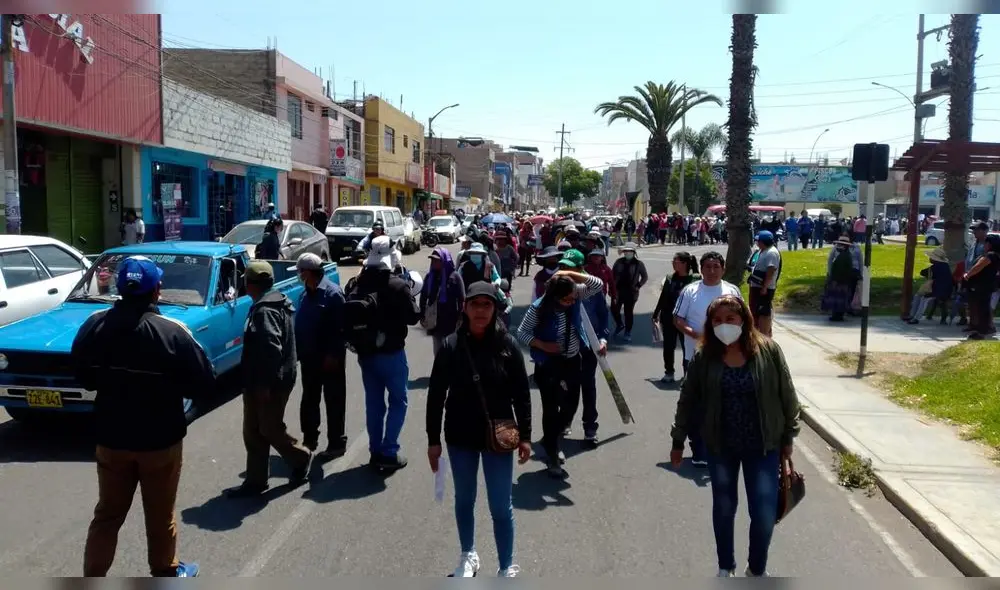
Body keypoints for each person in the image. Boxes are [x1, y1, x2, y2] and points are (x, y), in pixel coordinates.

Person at [72, 256, 214, 577]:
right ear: (156, 291)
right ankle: (165, 573)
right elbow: (205, 381)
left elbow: (81, 373)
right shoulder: (172, 332)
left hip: (111, 440)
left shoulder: (95, 325)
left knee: (107, 515)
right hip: (160, 443)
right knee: (161, 514)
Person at [670, 295, 800, 578]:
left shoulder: (768, 351)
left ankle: (756, 569)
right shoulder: (705, 356)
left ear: (744, 319)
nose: (723, 325)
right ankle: (725, 566)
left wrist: (789, 436)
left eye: (730, 319)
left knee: (765, 513)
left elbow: (787, 394)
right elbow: (688, 399)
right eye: (717, 321)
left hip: (763, 445)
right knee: (724, 508)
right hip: (721, 445)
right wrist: (678, 440)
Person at [427, 282, 532, 578]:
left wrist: (525, 436)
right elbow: (435, 396)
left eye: (487, 305)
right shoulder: (450, 346)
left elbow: (522, 394)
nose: (481, 311)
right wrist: (433, 441)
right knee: (465, 498)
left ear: (495, 309)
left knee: (500, 505)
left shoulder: (508, 345)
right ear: (466, 308)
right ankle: (468, 554)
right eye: (476, 305)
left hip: (499, 438)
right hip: (460, 437)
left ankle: (505, 566)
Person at [227, 261, 313, 497]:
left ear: (250, 284)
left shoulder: (265, 310)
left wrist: (265, 384)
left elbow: (271, 349)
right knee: (253, 431)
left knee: (269, 428)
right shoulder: (272, 301)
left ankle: (300, 457)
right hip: (262, 380)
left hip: (270, 382)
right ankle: (255, 481)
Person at [517, 270, 604, 478]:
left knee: (571, 403)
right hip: (548, 363)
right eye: (566, 299)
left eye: (573, 298)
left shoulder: (574, 295)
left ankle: (553, 437)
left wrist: (567, 273)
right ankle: (553, 453)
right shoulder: (538, 309)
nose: (570, 301)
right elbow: (521, 332)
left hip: (572, 359)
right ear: (555, 296)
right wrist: (542, 345)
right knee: (550, 406)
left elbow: (597, 285)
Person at [346, 236, 421, 470]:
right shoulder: (398, 285)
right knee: (398, 401)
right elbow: (413, 316)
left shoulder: (358, 282)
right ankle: (389, 451)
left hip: (366, 354)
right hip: (392, 354)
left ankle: (375, 451)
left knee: (374, 405)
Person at [672, 251, 742, 465]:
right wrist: (694, 334)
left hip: (727, 356)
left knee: (725, 401)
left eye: (716, 267)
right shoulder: (690, 291)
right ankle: (699, 449)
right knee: (697, 403)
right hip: (696, 356)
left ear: (723, 269)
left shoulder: (732, 291)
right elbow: (677, 318)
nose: (712, 271)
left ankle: (723, 445)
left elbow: (742, 319)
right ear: (701, 269)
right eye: (708, 267)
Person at [294, 252, 347, 459]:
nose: (299, 276)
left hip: (330, 359)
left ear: (308, 272)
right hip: (309, 358)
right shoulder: (304, 294)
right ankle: (309, 440)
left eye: (300, 272)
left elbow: (341, 329)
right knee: (309, 400)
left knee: (334, 401)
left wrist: (333, 355)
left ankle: (336, 443)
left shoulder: (333, 295)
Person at [560, 249, 610, 446]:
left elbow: (603, 316)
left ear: (580, 268)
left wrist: (603, 339)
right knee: (567, 387)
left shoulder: (592, 287)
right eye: (563, 267)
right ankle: (565, 420)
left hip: (589, 345)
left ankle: (590, 427)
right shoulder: (560, 286)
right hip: (566, 347)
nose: (565, 271)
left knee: (588, 386)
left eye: (570, 268)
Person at [652, 251, 700, 383]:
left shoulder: (696, 279)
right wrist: (656, 314)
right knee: (668, 346)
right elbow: (663, 298)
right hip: (668, 317)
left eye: (676, 261)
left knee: (687, 347)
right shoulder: (669, 278)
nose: (673, 264)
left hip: (687, 319)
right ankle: (669, 372)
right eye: (673, 261)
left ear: (684, 263)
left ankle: (687, 373)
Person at [420, 247, 466, 354]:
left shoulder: (454, 277)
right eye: (432, 260)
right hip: (435, 322)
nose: (434, 262)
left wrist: (461, 317)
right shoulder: (430, 276)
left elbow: (462, 299)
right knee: (438, 352)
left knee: (451, 351)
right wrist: (422, 314)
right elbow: (423, 296)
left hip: (451, 322)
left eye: (437, 260)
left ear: (445, 260)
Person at [962, 233, 1000, 340]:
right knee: (982, 307)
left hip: (983, 285)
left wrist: (968, 275)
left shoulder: (991, 255)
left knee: (982, 308)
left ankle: (982, 331)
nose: (985, 245)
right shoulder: (994, 255)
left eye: (986, 243)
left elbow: (978, 267)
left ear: (991, 244)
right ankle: (982, 329)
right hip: (985, 285)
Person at [611, 243, 648, 343]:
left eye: (630, 251)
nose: (628, 253)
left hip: (631, 292)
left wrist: (638, 286)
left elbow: (644, 277)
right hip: (618, 290)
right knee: (614, 309)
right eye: (626, 251)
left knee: (628, 312)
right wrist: (612, 288)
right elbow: (612, 275)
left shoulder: (638, 264)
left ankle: (628, 331)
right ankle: (619, 324)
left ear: (634, 253)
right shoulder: (619, 262)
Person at [747, 231, 781, 337]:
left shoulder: (771, 253)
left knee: (763, 312)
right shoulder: (763, 251)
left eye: (758, 241)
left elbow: (771, 270)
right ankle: (758, 333)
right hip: (756, 285)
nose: (757, 243)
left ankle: (764, 335)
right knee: (755, 311)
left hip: (763, 288)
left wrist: (765, 287)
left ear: (763, 241)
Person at [821, 237, 857, 322]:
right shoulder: (844, 255)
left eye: (839, 245)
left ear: (844, 246)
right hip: (842, 281)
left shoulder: (844, 256)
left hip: (840, 282)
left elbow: (841, 270)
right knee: (840, 298)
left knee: (838, 298)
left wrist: (835, 280)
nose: (837, 247)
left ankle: (837, 315)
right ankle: (837, 314)